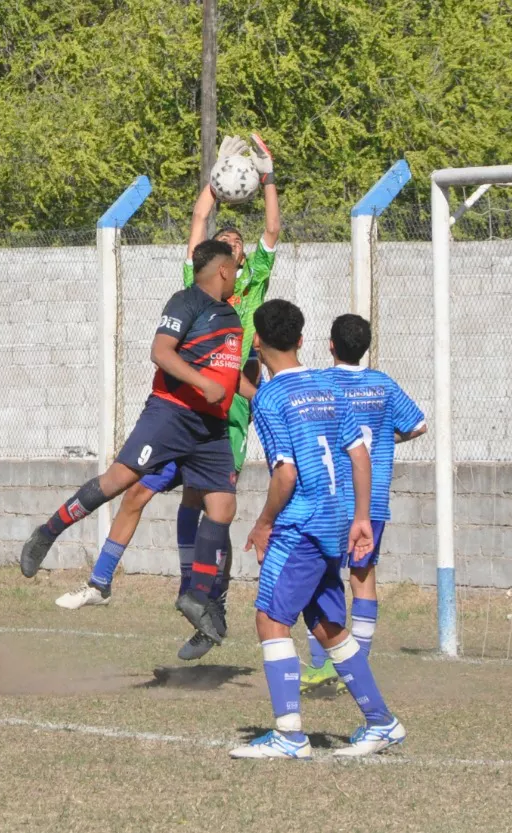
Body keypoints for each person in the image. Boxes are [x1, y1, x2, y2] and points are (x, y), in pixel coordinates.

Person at [54, 134, 279, 662]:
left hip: (229, 412)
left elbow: (271, 229)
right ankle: (103, 582)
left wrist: (266, 178)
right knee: (135, 490)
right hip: (182, 406)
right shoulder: (197, 286)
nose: (228, 244)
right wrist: (219, 171)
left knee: (205, 506)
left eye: (234, 242)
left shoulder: (254, 284)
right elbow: (199, 222)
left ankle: (206, 603)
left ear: (239, 259)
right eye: (221, 242)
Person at [21, 239, 243, 644]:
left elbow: (229, 375)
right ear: (223, 270)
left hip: (211, 429)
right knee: (120, 481)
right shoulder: (186, 300)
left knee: (222, 507)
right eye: (235, 266)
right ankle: (49, 531)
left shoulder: (230, 314)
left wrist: (262, 395)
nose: (238, 271)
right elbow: (160, 351)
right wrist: (200, 383)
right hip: (172, 414)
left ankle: (196, 597)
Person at [231, 299, 405, 759]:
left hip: (301, 525)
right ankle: (382, 723)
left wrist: (264, 522)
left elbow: (285, 473)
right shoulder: (328, 389)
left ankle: (289, 736)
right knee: (328, 626)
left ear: (257, 341)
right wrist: (363, 518)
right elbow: (360, 454)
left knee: (270, 619)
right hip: (336, 521)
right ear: (303, 340)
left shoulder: (270, 398)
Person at [300, 314, 427, 692]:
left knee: (323, 578)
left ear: (330, 345)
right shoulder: (382, 385)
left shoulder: (321, 383)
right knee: (363, 578)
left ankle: (322, 665)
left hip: (332, 498)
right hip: (372, 500)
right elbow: (419, 425)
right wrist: (387, 439)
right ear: (365, 347)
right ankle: (356, 670)